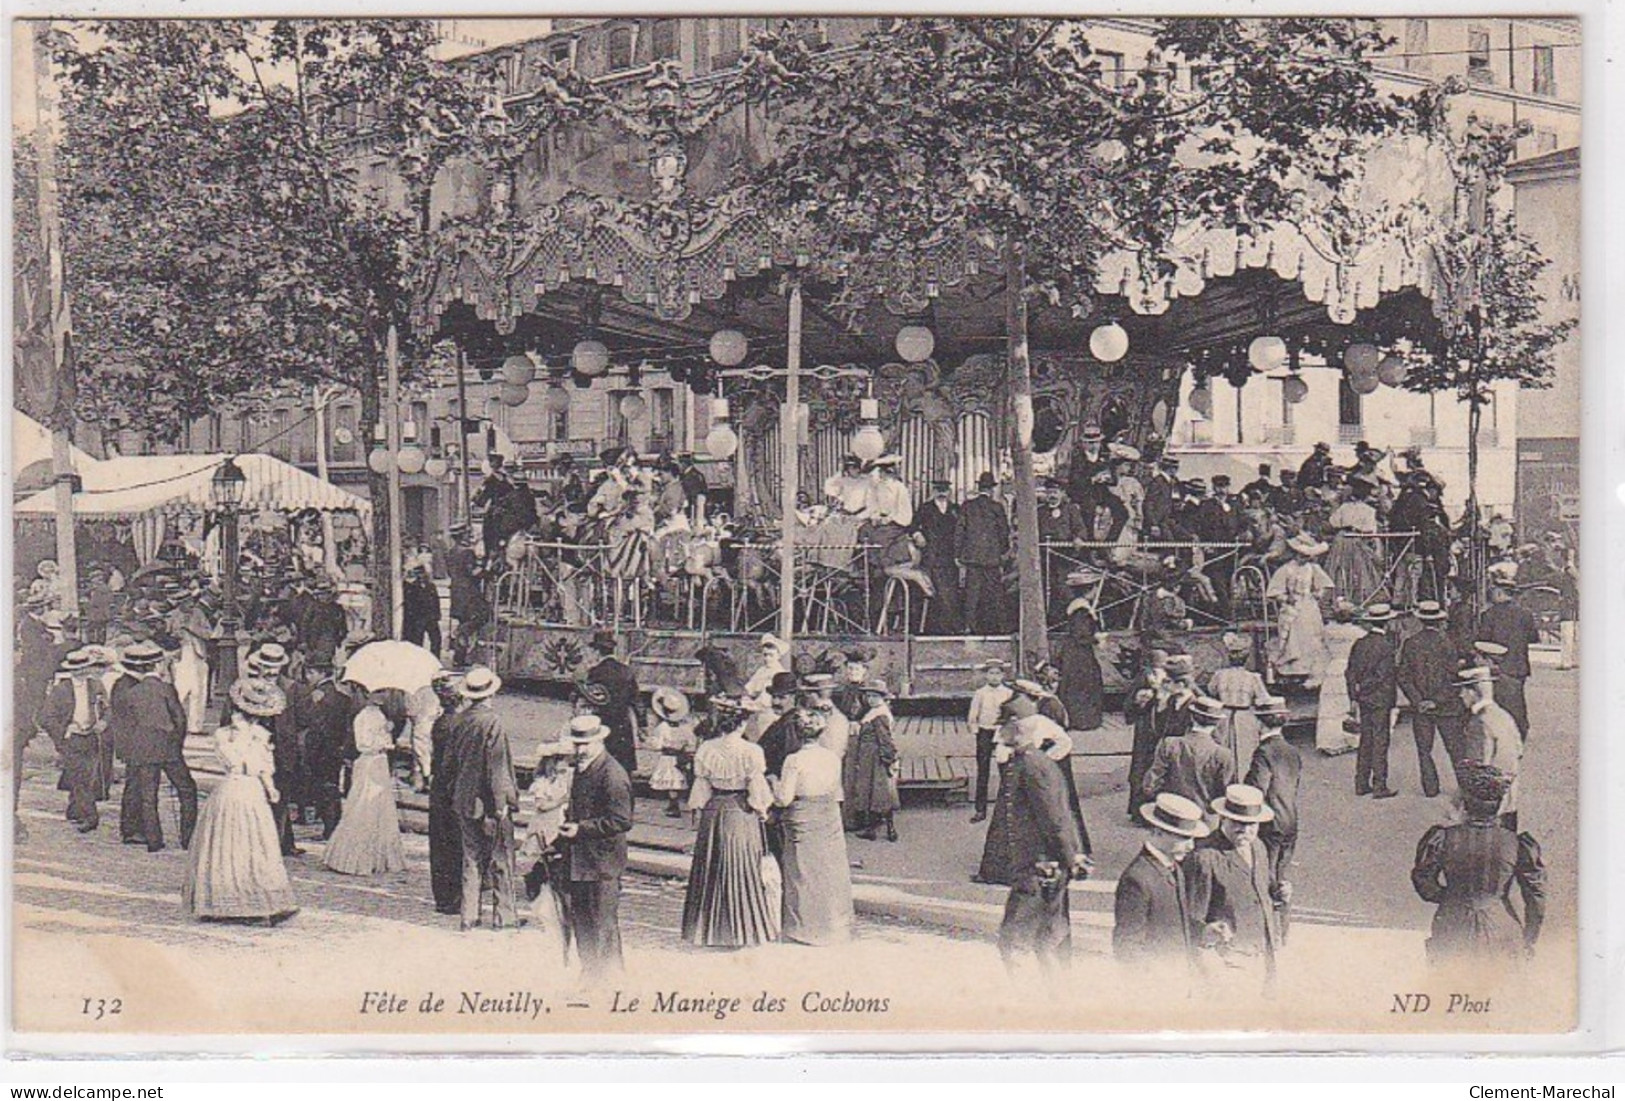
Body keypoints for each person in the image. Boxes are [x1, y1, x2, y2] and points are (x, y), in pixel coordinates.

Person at [183, 678, 298, 923]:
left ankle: (261, 899)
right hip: (235, 787)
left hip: (251, 790)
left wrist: (270, 788)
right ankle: (228, 903)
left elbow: (265, 767)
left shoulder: (260, 736)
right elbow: (233, 762)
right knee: (236, 843)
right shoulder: (225, 735)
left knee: (254, 845)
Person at [1411, 763, 1545, 966]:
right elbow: (1536, 897)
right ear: (1499, 806)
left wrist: (1451, 897)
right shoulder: (1517, 844)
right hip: (1502, 928)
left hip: (1452, 925)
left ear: (1464, 804)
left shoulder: (1442, 838)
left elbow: (1424, 882)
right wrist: (1529, 938)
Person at [995, 709, 1090, 982]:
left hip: (1041, 867)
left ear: (1020, 729)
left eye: (1005, 725)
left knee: (1015, 944)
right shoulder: (1025, 761)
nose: (999, 732)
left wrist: (1071, 858)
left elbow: (1056, 819)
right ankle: (1056, 994)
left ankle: (1030, 1002)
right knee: (1047, 941)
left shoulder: (1035, 766)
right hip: (1038, 866)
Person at [682, 697, 780, 948]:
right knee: (742, 867)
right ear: (742, 723)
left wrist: (698, 811)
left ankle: (709, 930)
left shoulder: (706, 749)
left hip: (714, 811)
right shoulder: (751, 751)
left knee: (712, 868)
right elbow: (757, 790)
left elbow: (701, 786)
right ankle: (743, 929)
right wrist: (762, 810)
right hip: (740, 811)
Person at [440, 666, 520, 930]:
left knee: (471, 859)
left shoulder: (458, 720)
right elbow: (496, 768)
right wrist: (500, 806)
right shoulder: (492, 722)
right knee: (501, 859)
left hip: (464, 800)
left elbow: (448, 764)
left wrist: (458, 791)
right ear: (491, 693)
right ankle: (504, 916)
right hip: (488, 803)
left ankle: (469, 915)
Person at [557, 714, 633, 984]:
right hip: (580, 858)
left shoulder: (612, 774)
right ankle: (592, 972)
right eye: (577, 743)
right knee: (583, 921)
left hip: (603, 861)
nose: (580, 749)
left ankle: (604, 977)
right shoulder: (581, 768)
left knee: (602, 922)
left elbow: (622, 820)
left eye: (585, 744)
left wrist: (582, 828)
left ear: (600, 740)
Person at [772, 703, 854, 946]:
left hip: (803, 815)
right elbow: (835, 790)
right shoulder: (831, 758)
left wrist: (773, 782)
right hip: (828, 815)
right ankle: (833, 926)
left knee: (802, 871)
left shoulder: (794, 760)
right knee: (829, 870)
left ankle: (804, 929)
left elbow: (784, 798)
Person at [1187, 784, 1282, 994]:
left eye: (1251, 825)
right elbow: (1192, 917)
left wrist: (1280, 893)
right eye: (1238, 823)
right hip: (1226, 958)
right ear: (1224, 818)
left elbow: (1263, 891)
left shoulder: (1258, 847)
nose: (1245, 830)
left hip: (1260, 952)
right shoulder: (1205, 856)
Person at [108, 640, 198, 852]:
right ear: (156, 665)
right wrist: (176, 744)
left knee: (148, 796)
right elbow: (180, 720)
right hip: (168, 749)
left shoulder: (130, 692)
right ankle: (188, 838)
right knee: (187, 790)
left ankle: (154, 841)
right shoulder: (166, 689)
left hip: (143, 751)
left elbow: (125, 724)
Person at [1114, 792, 1209, 981]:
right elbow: (1126, 945)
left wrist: (1204, 931)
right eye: (1184, 838)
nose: (1191, 846)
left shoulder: (1174, 867)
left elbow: (1176, 921)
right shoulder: (1137, 879)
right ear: (1158, 832)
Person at [322, 688, 408, 877]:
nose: (383, 696)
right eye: (379, 692)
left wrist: (388, 732)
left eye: (384, 692)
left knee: (381, 808)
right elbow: (363, 744)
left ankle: (381, 856)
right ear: (368, 694)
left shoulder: (381, 715)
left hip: (380, 763)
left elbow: (381, 738)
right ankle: (354, 857)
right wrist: (387, 744)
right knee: (364, 807)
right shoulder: (362, 716)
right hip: (368, 764)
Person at [35, 649, 109, 833]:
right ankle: (90, 817)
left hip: (91, 737)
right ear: (72, 670)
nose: (83, 672)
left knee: (87, 777)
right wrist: (65, 729)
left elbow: (108, 709)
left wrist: (104, 722)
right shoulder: (61, 689)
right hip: (71, 739)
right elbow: (45, 717)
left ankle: (74, 810)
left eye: (85, 668)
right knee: (81, 779)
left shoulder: (96, 685)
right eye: (79, 669)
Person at [1395, 600, 1461, 796]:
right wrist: (1437, 700)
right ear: (1440, 620)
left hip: (1421, 708)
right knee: (1456, 750)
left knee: (1424, 750)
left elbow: (1403, 676)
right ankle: (1465, 788)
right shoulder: (1448, 643)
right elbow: (1454, 678)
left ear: (1421, 620)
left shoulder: (1410, 643)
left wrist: (1418, 700)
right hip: (1447, 706)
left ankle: (1431, 789)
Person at [1142, 695, 1235, 814]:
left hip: (1171, 813)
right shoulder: (1223, 755)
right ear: (1217, 723)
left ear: (1192, 718)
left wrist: (1160, 800)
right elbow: (1224, 793)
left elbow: (1150, 784)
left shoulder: (1169, 744)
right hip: (1206, 818)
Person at [1457, 666, 1523, 830]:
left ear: (1473, 693)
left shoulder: (1478, 722)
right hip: (1509, 797)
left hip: (1487, 806)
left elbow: (1476, 767)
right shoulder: (1502, 714)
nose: (1460, 696)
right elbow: (1519, 749)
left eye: (1463, 691)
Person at [1346, 603, 1400, 798]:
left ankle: (1361, 783)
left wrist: (1355, 694)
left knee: (1365, 740)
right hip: (1380, 698)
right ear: (1386, 623)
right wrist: (1365, 687)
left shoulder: (1359, 644)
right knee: (1380, 741)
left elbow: (1350, 672)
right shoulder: (1386, 646)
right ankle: (1379, 785)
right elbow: (1381, 675)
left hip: (1364, 700)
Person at [1477, 580, 1540, 741]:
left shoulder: (1488, 614)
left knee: (1499, 702)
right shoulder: (1526, 614)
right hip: (1519, 666)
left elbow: (1482, 641)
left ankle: (1501, 735)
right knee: (1517, 702)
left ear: (1499, 593)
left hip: (1498, 665)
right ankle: (1519, 733)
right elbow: (1533, 638)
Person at [1266, 534, 1334, 684]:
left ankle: (1312, 671)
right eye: (1302, 555)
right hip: (1293, 605)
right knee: (1295, 636)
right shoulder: (1286, 569)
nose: (1304, 559)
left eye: (1307, 556)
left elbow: (1325, 584)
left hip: (1309, 605)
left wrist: (1318, 594)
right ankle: (1294, 670)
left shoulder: (1312, 568)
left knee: (1312, 636)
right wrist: (1285, 598)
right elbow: (1274, 591)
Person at [426, 671, 466, 915]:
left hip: (441, 787)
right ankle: (450, 897)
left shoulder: (443, 721)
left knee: (442, 842)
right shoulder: (455, 724)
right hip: (450, 788)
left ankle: (445, 896)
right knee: (450, 842)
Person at [844, 678, 901, 842]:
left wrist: (889, 760)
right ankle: (875, 829)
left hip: (876, 757)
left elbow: (885, 739)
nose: (870, 700)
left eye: (874, 696)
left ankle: (888, 829)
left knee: (880, 793)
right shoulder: (874, 711)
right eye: (868, 696)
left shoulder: (879, 715)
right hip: (869, 756)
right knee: (874, 793)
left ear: (883, 698)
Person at [957, 472, 1010, 635]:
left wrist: (958, 554)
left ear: (979, 487)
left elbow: (959, 531)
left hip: (972, 558)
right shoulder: (997, 507)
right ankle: (1001, 627)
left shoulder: (967, 505)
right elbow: (1004, 532)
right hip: (992, 559)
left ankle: (968, 626)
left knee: (972, 594)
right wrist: (1002, 551)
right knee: (996, 594)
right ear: (992, 489)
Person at [1208, 632, 1269, 774]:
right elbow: (1263, 699)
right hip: (1245, 717)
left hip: (1224, 716)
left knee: (1223, 750)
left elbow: (1211, 692)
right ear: (1246, 659)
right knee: (1245, 752)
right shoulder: (1253, 678)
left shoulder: (1219, 675)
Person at [585, 629, 641, 778]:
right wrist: (642, 726)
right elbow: (636, 700)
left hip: (601, 722)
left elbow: (589, 699)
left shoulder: (595, 672)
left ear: (597, 651)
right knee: (622, 766)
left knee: (600, 766)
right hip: (623, 724)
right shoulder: (626, 671)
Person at [912, 479, 963, 634]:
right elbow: (913, 526)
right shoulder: (925, 508)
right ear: (933, 491)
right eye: (939, 489)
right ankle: (930, 628)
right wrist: (917, 534)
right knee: (931, 591)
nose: (942, 492)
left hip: (950, 557)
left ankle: (949, 627)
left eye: (945, 490)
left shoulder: (956, 509)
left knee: (950, 592)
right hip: (931, 555)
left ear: (949, 492)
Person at [967, 659, 1012, 823]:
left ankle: (1007, 809)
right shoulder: (980, 693)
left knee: (1006, 770)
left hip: (1001, 733)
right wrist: (976, 731)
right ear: (986, 675)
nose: (994, 677)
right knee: (983, 770)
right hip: (984, 732)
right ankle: (980, 810)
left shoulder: (1007, 693)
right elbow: (973, 715)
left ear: (1003, 675)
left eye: (997, 673)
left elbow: (1011, 714)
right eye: (991, 673)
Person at [1054, 598, 1105, 733]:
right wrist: (1097, 638)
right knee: (1083, 685)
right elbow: (1080, 636)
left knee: (1075, 686)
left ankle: (1075, 719)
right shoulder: (1081, 613)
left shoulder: (1078, 612)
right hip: (1079, 656)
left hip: (1073, 654)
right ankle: (1083, 721)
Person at [646, 687, 695, 818]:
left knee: (671, 782)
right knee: (676, 781)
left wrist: (655, 742)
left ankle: (673, 805)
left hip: (668, 757)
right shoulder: (686, 728)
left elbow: (656, 744)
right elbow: (690, 743)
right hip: (680, 756)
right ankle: (675, 804)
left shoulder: (662, 728)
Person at [401, 563, 442, 657]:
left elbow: (436, 601)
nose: (421, 576)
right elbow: (410, 604)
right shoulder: (411, 587)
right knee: (418, 639)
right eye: (418, 574)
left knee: (436, 639)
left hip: (431, 617)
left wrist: (437, 615)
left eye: (423, 573)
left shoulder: (431, 586)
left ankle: (435, 658)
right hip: (419, 617)